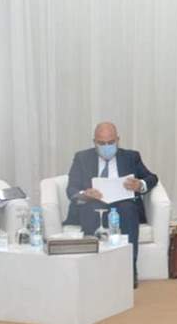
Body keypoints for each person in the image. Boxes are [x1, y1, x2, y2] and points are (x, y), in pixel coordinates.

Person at [66, 122, 159, 287]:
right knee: (92, 209)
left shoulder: (131, 157)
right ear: (94, 142)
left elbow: (152, 178)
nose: (106, 147)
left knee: (128, 209)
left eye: (110, 142)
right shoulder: (82, 158)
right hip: (93, 204)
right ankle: (93, 270)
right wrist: (84, 194)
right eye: (101, 143)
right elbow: (71, 188)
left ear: (118, 140)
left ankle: (129, 269)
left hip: (123, 204)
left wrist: (140, 185)